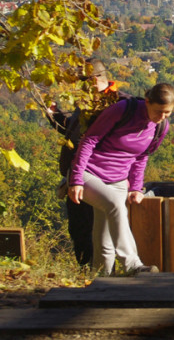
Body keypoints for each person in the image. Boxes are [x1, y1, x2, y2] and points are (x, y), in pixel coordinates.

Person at [68, 83, 174, 275]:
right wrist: (76, 179)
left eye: (167, 113)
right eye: (159, 111)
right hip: (89, 173)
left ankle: (102, 283)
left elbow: (142, 156)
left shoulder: (161, 127)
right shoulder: (123, 110)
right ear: (148, 101)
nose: (161, 117)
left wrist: (136, 187)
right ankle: (132, 264)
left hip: (117, 180)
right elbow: (89, 140)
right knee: (116, 206)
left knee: (105, 240)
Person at [48, 58, 128, 267]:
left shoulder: (116, 104)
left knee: (95, 232)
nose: (77, 87)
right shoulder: (88, 103)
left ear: (93, 81)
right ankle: (88, 276)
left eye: (81, 82)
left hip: (98, 178)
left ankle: (99, 280)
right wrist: (55, 116)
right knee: (80, 230)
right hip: (77, 177)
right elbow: (75, 132)